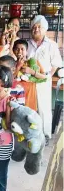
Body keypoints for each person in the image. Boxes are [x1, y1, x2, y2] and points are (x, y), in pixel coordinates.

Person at [27, 15, 63, 143]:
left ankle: (45, 135)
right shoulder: (27, 44)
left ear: (45, 29)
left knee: (44, 108)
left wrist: (47, 76)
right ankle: (30, 134)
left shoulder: (51, 44)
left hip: (44, 79)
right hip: (28, 81)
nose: (36, 29)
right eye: (34, 27)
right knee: (30, 107)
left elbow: (56, 64)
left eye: (39, 27)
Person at [13, 39, 38, 111]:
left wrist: (32, 72)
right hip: (16, 96)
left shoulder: (32, 63)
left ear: (26, 51)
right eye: (17, 49)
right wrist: (18, 66)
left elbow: (43, 77)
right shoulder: (11, 63)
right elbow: (10, 80)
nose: (19, 51)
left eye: (22, 49)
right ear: (13, 51)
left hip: (30, 95)